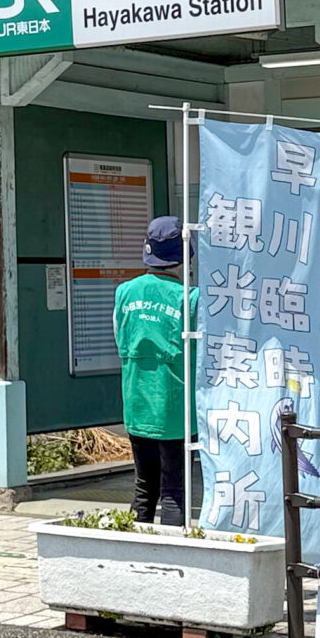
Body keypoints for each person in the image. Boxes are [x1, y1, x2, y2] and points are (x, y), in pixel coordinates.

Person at [113, 216, 198, 527]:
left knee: (144, 485)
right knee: (175, 489)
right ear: (184, 254)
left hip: (136, 400)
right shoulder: (189, 297)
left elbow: (119, 338)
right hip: (175, 406)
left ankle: (139, 551)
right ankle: (172, 557)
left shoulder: (124, 292)